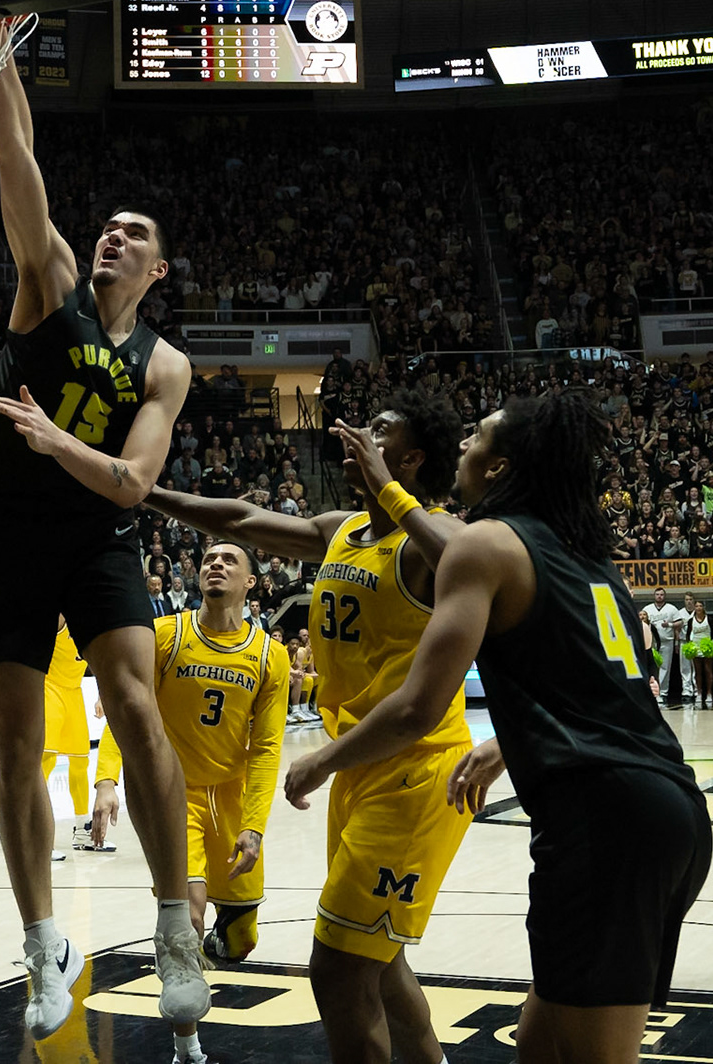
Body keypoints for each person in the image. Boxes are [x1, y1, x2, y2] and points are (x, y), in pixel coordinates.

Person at [288, 395, 712, 1064]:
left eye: (476, 440)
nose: (462, 447)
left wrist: (320, 761)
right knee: (537, 1045)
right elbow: (600, 696)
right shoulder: (585, 556)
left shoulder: (489, 541)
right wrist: (506, 744)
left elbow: (415, 710)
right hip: (662, 811)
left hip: (604, 820)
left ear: (500, 467)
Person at [0, 38, 205, 1041]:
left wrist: (51, 432)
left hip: (99, 535)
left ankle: (170, 921)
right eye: (106, 224)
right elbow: (16, 160)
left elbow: (135, 481)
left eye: (131, 232)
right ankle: (41, 943)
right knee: (18, 750)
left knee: (137, 706)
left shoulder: (166, 364)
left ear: (157, 265)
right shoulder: (47, 281)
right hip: (11, 537)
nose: (110, 236)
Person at [146, 391, 468, 1064]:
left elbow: (423, 697)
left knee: (337, 969)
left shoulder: (436, 544)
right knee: (378, 961)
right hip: (361, 765)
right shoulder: (343, 530)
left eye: (380, 430)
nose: (359, 432)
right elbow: (239, 517)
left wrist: (320, 761)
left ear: (410, 459)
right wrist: (142, 491)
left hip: (415, 771)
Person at [92, 541, 284, 1064]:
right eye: (207, 559)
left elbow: (267, 748)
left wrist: (255, 825)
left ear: (251, 583)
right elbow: (128, 713)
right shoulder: (166, 635)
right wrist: (107, 780)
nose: (214, 564)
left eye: (229, 560)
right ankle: (188, 1048)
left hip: (233, 798)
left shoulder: (271, 654)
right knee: (185, 918)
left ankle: (223, 943)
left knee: (242, 941)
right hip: (174, 797)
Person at [41, 624, 98, 860]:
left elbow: (100, 659)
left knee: (80, 761)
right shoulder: (62, 619)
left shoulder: (91, 625)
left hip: (73, 692)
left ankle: (82, 829)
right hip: (49, 687)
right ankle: (38, 837)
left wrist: (102, 693)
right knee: (46, 760)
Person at [639, 586, 688, 707]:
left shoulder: (671, 608)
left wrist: (670, 624)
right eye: (657, 594)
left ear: (664, 596)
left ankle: (663, 692)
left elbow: (680, 622)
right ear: (654, 596)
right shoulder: (647, 608)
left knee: (665, 668)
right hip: (650, 644)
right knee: (652, 668)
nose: (659, 596)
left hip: (667, 642)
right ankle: (652, 692)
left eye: (661, 594)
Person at [685, 599, 713, 709]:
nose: (698, 608)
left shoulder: (710, 619)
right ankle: (699, 693)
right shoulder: (691, 620)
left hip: (707, 647)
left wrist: (711, 644)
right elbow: (688, 634)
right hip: (696, 647)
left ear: (703, 607)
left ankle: (709, 693)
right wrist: (690, 645)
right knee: (697, 672)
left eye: (700, 606)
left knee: (708, 671)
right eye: (697, 606)